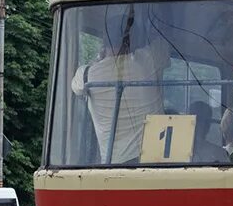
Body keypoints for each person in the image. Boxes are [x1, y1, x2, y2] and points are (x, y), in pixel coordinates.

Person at [72, 34, 172, 164]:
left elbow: (78, 91)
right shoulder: (146, 59)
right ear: (131, 42)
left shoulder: (86, 74)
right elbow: (164, 40)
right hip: (157, 156)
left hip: (113, 162)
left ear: (104, 45)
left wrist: (99, 59)